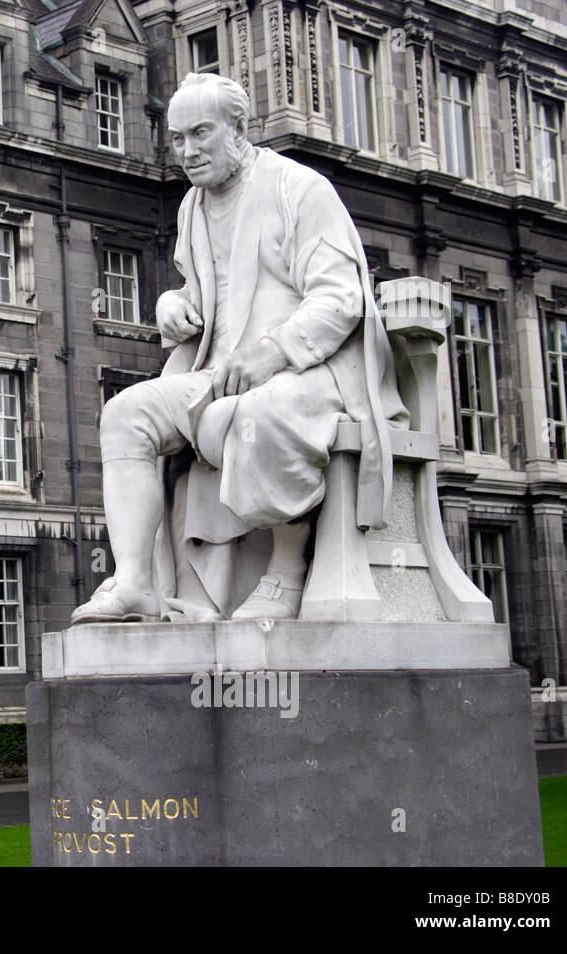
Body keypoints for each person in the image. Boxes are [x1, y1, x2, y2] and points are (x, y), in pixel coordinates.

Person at [72, 72, 407, 624]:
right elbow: (206, 294)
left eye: (200, 133)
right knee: (123, 414)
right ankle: (134, 582)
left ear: (239, 128)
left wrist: (272, 352)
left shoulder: (300, 188)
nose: (188, 151)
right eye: (177, 139)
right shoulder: (191, 207)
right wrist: (172, 305)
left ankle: (287, 567)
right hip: (218, 370)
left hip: (310, 368)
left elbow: (342, 297)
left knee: (256, 413)